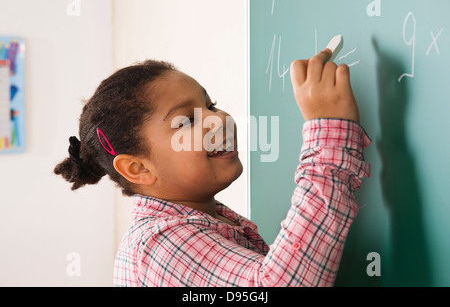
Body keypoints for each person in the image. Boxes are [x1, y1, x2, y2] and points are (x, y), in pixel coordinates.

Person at [54, 48, 371, 286]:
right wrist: (328, 132)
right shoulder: (159, 244)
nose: (219, 119)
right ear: (137, 169)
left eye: (211, 105)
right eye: (187, 120)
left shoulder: (202, 222)